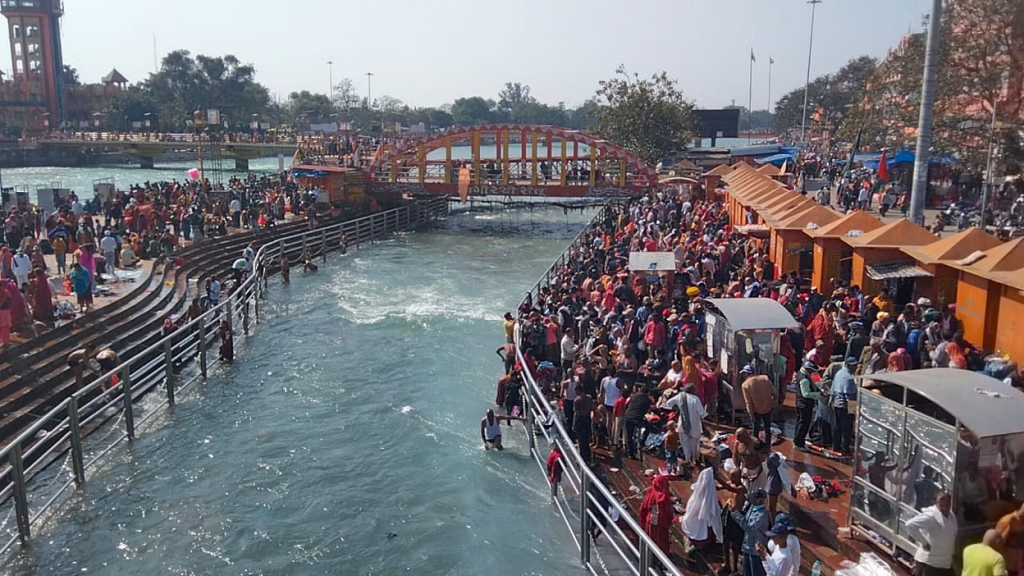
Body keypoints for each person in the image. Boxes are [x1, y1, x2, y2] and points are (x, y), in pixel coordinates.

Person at [904, 492, 958, 576]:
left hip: (945, 564)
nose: (945, 508)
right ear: (936, 504)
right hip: (929, 564)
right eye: (942, 505)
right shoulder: (931, 516)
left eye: (947, 505)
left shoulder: (952, 516)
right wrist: (924, 542)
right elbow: (910, 525)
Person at [731, 487, 770, 576]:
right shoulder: (752, 507)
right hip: (747, 547)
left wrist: (735, 514)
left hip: (755, 550)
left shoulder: (762, 515)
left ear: (760, 500)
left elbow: (750, 528)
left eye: (754, 498)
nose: (751, 499)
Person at [740, 364, 776, 446]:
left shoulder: (745, 385)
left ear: (746, 374)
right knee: (767, 429)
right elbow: (775, 393)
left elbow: (748, 403)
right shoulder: (765, 378)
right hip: (767, 408)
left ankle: (755, 447)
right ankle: (767, 447)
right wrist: (772, 404)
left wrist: (751, 415)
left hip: (756, 410)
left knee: (755, 430)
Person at [639, 475, 674, 554]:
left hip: (651, 519)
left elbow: (644, 506)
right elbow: (666, 511)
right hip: (660, 522)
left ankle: (651, 554)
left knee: (651, 537)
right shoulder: (663, 496)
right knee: (661, 539)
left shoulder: (652, 491)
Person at [830, 357, 859, 455]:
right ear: (848, 365)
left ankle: (835, 446)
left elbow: (833, 388)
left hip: (837, 403)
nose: (856, 367)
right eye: (854, 365)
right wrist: (853, 410)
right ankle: (845, 448)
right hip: (845, 405)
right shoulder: (848, 377)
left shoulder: (839, 373)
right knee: (847, 427)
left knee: (837, 426)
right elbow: (849, 395)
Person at [793, 360, 822, 450]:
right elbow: (806, 394)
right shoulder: (804, 379)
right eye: (812, 370)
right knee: (804, 424)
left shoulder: (800, 373)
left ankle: (797, 440)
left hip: (800, 403)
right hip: (804, 404)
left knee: (800, 422)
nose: (813, 372)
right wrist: (818, 395)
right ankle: (799, 444)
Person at [996, 503, 1024, 575]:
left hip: (1020, 568)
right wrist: (1009, 529)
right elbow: (997, 544)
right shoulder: (1005, 521)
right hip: (1007, 568)